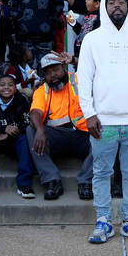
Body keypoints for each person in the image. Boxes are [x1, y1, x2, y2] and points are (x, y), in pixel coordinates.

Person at [79, 0, 128, 244]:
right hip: (103, 121)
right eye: (111, 3)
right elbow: (84, 79)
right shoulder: (93, 39)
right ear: (104, 7)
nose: (117, 7)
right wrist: (89, 113)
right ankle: (103, 222)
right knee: (101, 172)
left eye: (122, 2)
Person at [27, 53, 94, 200]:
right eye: (48, 73)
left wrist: (75, 60)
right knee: (30, 129)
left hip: (83, 134)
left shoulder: (78, 79)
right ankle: (52, 180)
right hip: (58, 138)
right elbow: (35, 113)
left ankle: (86, 181)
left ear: (64, 67)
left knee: (105, 131)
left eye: (56, 70)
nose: (53, 75)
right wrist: (39, 130)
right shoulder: (42, 89)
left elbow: (97, 68)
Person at [0, 72, 33, 199]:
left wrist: (8, 135)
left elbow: (26, 124)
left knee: (25, 139)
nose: (6, 88)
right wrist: (4, 129)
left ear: (15, 88)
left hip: (14, 141)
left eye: (10, 85)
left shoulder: (22, 102)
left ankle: (24, 184)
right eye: (2, 85)